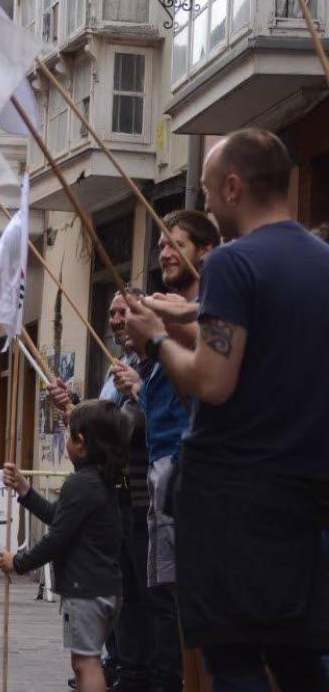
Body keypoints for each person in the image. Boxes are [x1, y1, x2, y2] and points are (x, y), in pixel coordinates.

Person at [125, 129, 329, 689]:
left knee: (233, 656)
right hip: (304, 490)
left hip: (232, 492)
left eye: (211, 191)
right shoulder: (321, 260)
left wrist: (153, 339)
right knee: (297, 657)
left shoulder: (233, 263)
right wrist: (193, 316)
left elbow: (212, 382)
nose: (209, 205)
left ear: (235, 186)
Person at [53, 291, 182, 692]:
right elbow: (104, 432)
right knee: (125, 591)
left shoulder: (161, 367)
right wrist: (75, 409)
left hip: (149, 496)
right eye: (111, 313)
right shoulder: (119, 369)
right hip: (120, 496)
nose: (117, 320)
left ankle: (160, 677)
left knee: (153, 596)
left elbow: (142, 424)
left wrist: (137, 391)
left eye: (124, 312)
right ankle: (126, 668)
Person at [114, 210, 218, 692]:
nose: (164, 252)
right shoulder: (172, 318)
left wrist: (162, 335)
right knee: (177, 602)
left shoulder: (207, 312)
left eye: (176, 243)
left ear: (205, 251)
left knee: (199, 604)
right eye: (160, 244)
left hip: (195, 471)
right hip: (164, 478)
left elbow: (211, 373)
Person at [0, 400, 128, 692]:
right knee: (83, 660)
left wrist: (18, 562)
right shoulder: (103, 480)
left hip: (86, 591)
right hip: (106, 588)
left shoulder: (80, 484)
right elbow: (61, 517)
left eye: (68, 435)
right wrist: (25, 490)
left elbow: (56, 538)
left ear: (80, 442)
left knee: (87, 662)